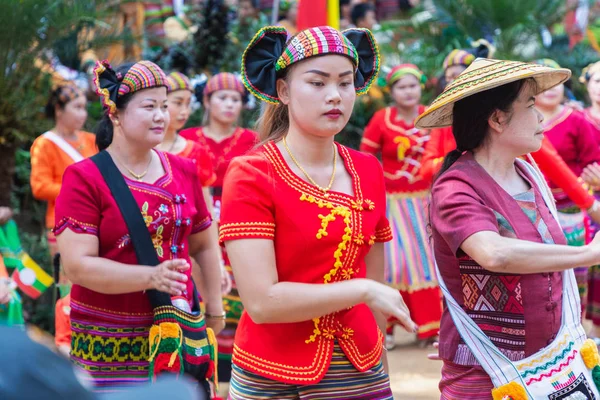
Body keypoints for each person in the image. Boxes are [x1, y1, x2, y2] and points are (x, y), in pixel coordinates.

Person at [219, 25, 415, 399]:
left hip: (361, 367)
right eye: (318, 82)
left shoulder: (368, 169)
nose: (335, 96)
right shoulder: (252, 172)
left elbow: (375, 284)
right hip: (272, 370)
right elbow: (261, 302)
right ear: (283, 91)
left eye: (345, 83)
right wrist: (361, 290)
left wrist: (380, 374)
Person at [418, 57, 600, 399]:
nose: (541, 116)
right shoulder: (456, 187)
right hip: (486, 373)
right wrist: (586, 254)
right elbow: (494, 254)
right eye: (530, 105)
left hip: (550, 363)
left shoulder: (528, 174)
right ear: (498, 118)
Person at [53, 60, 224, 393]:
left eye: (164, 105)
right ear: (115, 114)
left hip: (179, 331)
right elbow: (78, 266)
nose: (162, 115)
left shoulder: (184, 170)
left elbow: (204, 244)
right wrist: (151, 277)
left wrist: (214, 307)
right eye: (149, 106)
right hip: (108, 341)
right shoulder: (84, 178)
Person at [180, 72, 258, 385]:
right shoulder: (186, 136)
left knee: (240, 289)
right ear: (207, 101)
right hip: (195, 218)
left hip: (239, 216)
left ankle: (235, 369)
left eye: (235, 99)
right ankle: (199, 365)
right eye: (221, 97)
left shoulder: (250, 139)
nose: (229, 104)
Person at [360, 64, 441, 348]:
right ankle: (389, 327)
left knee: (426, 262)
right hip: (392, 203)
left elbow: (445, 152)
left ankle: (431, 328)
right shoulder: (382, 119)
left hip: (426, 201)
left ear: (421, 87)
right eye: (401, 87)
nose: (408, 91)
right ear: (391, 91)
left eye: (413, 85)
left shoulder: (433, 116)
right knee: (394, 264)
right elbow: (365, 159)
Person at [534, 58, 600, 309]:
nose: (551, 88)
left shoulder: (576, 120)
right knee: (540, 277)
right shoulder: (520, 122)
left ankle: (577, 334)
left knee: (575, 275)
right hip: (532, 205)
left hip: (571, 209)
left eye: (557, 82)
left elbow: (592, 165)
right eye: (544, 83)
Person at [30, 85, 97, 261]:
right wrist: (80, 192)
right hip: (62, 224)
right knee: (67, 284)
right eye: (77, 108)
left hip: (95, 221)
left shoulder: (91, 140)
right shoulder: (45, 144)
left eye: (84, 108)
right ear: (59, 110)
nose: (83, 114)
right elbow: (40, 187)